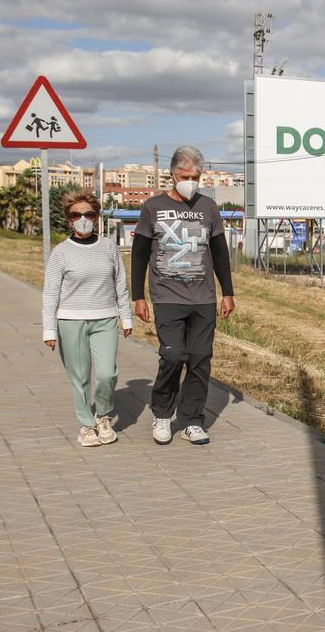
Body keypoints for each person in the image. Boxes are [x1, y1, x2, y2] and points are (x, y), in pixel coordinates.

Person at [130, 146, 235, 446]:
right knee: (173, 355)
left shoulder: (208, 207)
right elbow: (139, 255)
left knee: (200, 358)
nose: (191, 181)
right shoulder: (152, 207)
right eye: (185, 176)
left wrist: (227, 292)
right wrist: (138, 296)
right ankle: (162, 414)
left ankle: (191, 419)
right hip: (167, 296)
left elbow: (219, 252)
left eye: (196, 176)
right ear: (172, 175)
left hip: (203, 297)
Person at [42, 191, 132, 447]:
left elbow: (120, 285)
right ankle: (86, 425)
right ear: (69, 219)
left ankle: (103, 416)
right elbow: (50, 293)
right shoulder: (61, 252)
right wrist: (49, 330)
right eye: (76, 215)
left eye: (88, 214)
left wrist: (126, 318)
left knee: (107, 374)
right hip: (70, 321)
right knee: (79, 376)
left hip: (105, 318)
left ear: (96, 216)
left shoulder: (109, 247)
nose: (83, 219)